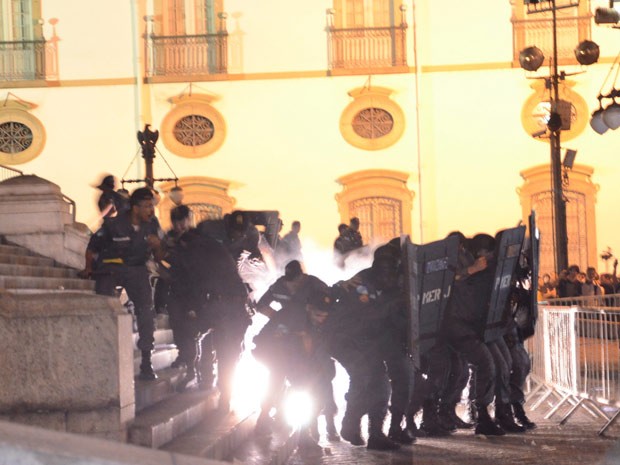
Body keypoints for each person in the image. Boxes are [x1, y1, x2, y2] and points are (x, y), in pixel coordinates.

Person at [82, 187, 164, 381]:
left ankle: (146, 360)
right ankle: (102, 352)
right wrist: (88, 268)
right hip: (110, 268)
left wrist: (158, 246)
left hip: (136, 269)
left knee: (145, 309)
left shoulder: (152, 226)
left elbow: (160, 256)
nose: (151, 211)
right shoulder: (113, 224)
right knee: (105, 306)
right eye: (146, 207)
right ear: (135, 208)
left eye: (152, 206)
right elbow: (92, 247)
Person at [254, 260, 340, 441]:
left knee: (320, 379)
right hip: (278, 348)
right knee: (281, 379)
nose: (291, 286)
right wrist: (279, 319)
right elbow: (262, 307)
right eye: (289, 283)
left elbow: (327, 306)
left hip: (300, 345)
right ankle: (270, 420)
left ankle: (326, 425)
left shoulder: (316, 289)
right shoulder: (291, 311)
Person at [168, 226, 251, 412]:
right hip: (235, 307)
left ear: (183, 243)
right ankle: (221, 393)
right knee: (227, 353)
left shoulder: (194, 250)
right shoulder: (215, 246)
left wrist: (192, 307)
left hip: (219, 306)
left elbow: (195, 281)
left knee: (196, 335)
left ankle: (198, 375)